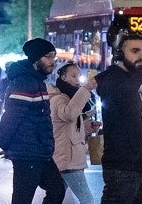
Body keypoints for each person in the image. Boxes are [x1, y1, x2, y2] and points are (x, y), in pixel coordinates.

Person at [95, 33, 142, 203]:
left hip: (136, 168)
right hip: (120, 169)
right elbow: (123, 93)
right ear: (119, 54)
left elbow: (135, 128)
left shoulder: (130, 79)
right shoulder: (112, 79)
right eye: (135, 51)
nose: (141, 55)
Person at [0, 38, 65, 204]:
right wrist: (5, 144)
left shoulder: (36, 80)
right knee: (24, 199)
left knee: (57, 190)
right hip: (28, 153)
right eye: (49, 57)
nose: (53, 62)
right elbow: (11, 116)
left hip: (39, 151)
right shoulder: (25, 82)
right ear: (36, 59)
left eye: (54, 57)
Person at [50, 62, 97, 204]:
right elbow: (69, 114)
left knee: (55, 197)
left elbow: (70, 127)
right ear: (63, 77)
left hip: (68, 156)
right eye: (74, 76)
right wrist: (87, 88)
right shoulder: (59, 98)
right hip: (67, 158)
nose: (78, 80)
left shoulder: (70, 97)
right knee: (87, 199)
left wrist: (89, 127)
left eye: (79, 75)